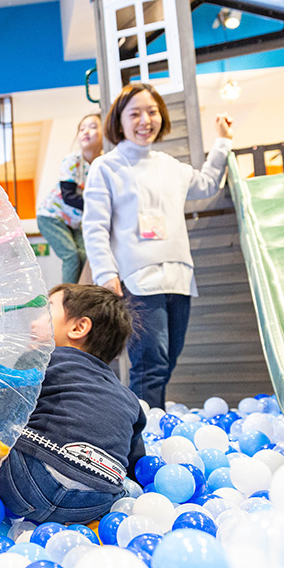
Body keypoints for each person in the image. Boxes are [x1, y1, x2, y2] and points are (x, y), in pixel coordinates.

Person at [82, 83, 234, 410]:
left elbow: (206, 184)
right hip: (136, 281)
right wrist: (106, 274)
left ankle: (148, 427)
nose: (144, 120)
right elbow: (94, 225)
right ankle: (142, 442)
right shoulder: (106, 167)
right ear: (119, 122)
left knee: (166, 363)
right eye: (134, 113)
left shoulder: (170, 166)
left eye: (151, 112)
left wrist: (222, 141)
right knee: (149, 366)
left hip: (178, 278)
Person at [0, 283, 145, 524]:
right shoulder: (128, 397)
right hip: (96, 501)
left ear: (79, 327)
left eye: (46, 310)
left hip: (28, 481)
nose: (33, 322)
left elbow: (1, 415)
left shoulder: (40, 359)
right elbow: (136, 460)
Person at [36, 114, 103, 284]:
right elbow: (68, 197)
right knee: (71, 256)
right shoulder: (73, 161)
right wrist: (99, 207)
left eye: (93, 127)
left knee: (87, 253)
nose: (86, 131)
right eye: (82, 129)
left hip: (74, 221)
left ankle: (82, 293)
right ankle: (67, 299)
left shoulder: (103, 164)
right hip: (51, 216)